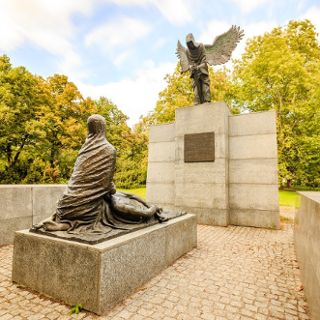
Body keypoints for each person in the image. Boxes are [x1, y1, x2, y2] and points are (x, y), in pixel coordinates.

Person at [34, 114, 164, 235]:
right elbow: (106, 185)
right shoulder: (109, 149)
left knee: (119, 197)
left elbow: (82, 177)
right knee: (117, 203)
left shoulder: (84, 149)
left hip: (66, 204)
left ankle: (61, 221)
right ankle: (150, 211)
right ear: (103, 128)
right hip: (87, 208)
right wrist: (110, 189)